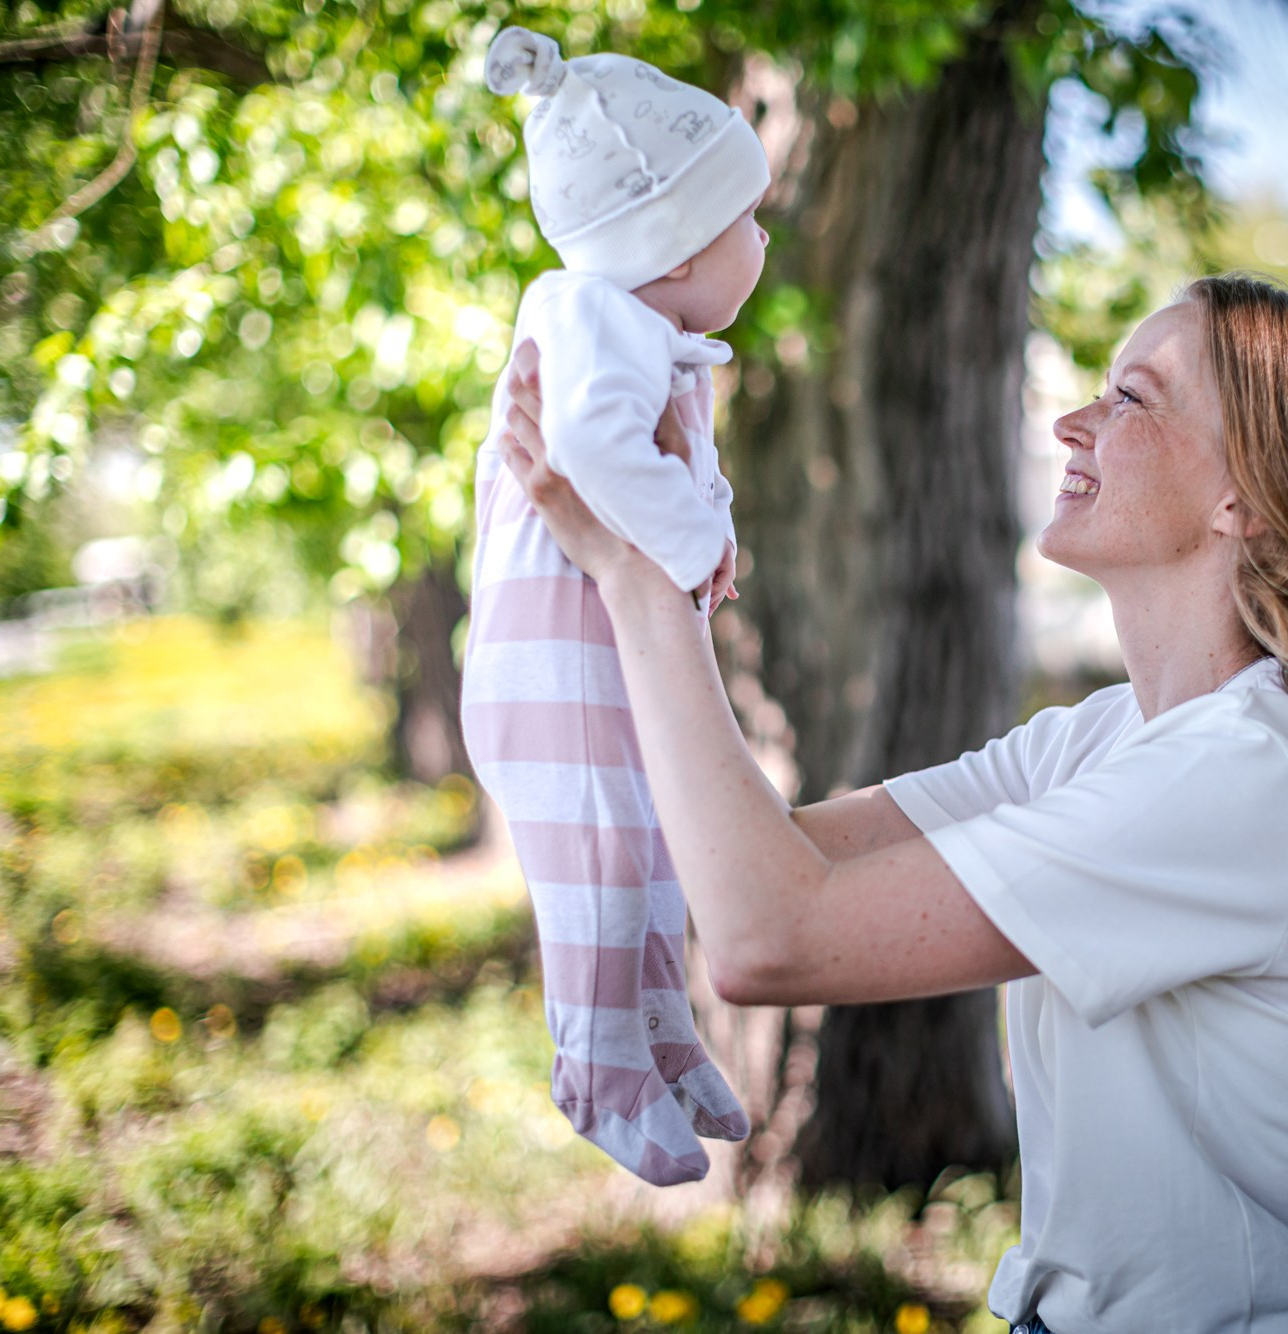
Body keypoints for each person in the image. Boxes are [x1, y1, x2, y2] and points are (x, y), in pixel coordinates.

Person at [493, 272, 1288, 1331]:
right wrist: (659, 525)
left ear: (1247, 499)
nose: (1074, 421)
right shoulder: (1109, 736)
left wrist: (637, 576)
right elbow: (746, 857)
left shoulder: (1254, 778)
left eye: (1131, 398)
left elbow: (769, 937)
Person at [458, 26, 771, 1185]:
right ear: (676, 247)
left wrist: (705, 525)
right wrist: (696, 542)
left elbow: (659, 462)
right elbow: (592, 446)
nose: (764, 239)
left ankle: (661, 1040)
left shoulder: (645, 330)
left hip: (599, 664)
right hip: (554, 671)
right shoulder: (593, 315)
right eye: (748, 219)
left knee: (649, 856)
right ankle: (595, 1068)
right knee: (598, 870)